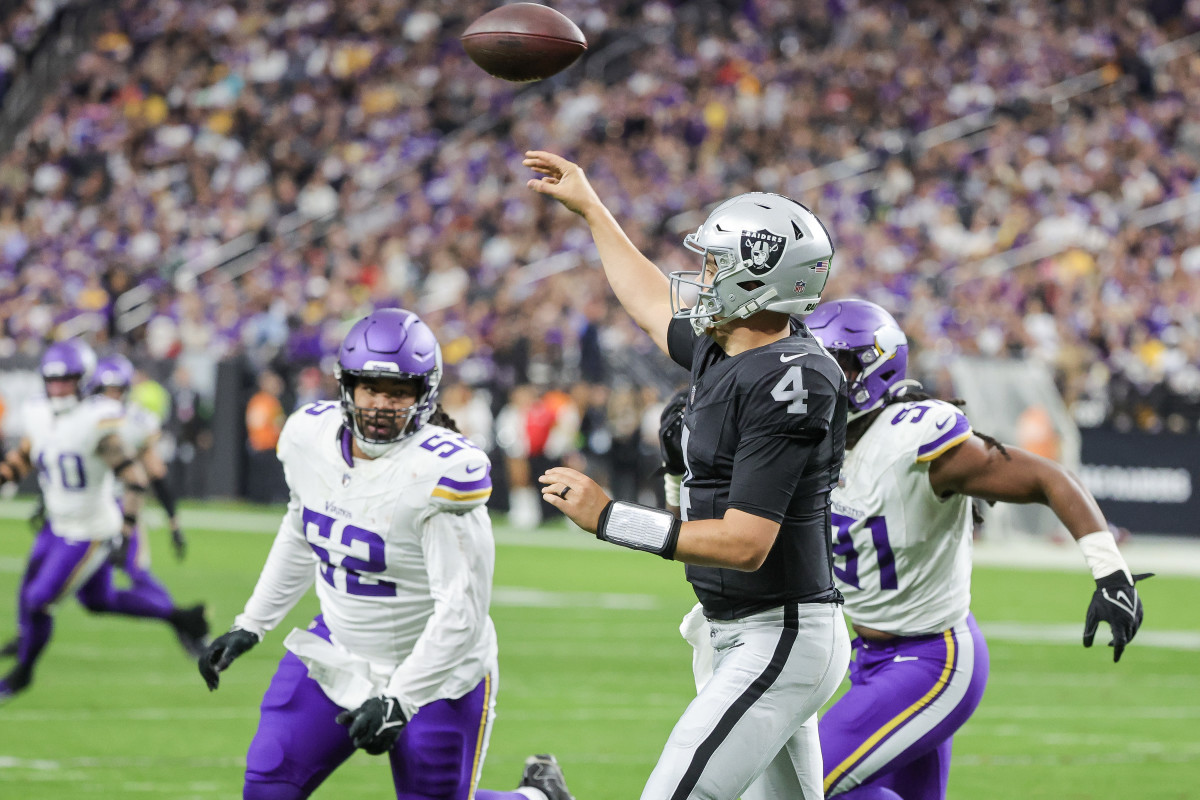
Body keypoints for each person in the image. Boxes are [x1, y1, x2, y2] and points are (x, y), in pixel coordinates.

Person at [525, 150, 851, 800]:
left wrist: (610, 518)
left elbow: (745, 543)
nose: (701, 279)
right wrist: (592, 207)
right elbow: (647, 298)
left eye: (716, 266)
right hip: (739, 627)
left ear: (760, 281)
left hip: (777, 633)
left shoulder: (794, 379)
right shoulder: (729, 345)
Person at [197, 308, 573, 800]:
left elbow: (462, 609)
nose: (380, 404)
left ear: (424, 396)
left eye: (398, 393)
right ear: (346, 386)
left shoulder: (439, 474)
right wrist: (253, 623)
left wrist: (401, 699)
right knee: (268, 787)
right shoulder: (309, 437)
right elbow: (300, 530)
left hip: (436, 672)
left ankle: (537, 798)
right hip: (340, 648)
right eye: (370, 387)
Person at [803, 299, 1150, 800]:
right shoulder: (812, 439)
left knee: (804, 783)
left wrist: (1110, 571)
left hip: (931, 661)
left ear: (875, 367)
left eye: (838, 363)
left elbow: (1048, 478)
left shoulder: (912, 441)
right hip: (871, 657)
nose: (821, 378)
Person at [0, 340, 208, 701]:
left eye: (67, 380)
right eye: (52, 380)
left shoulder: (98, 420)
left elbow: (135, 478)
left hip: (89, 530)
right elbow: (26, 455)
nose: (59, 387)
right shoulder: (39, 413)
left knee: (39, 600)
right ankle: (182, 618)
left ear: (82, 381)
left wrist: (126, 531)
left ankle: (22, 673)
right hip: (58, 522)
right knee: (98, 601)